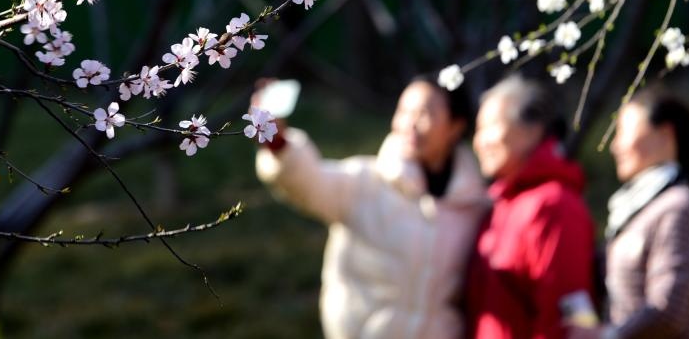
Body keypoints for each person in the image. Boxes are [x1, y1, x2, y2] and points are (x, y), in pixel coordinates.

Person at [255, 75, 489, 339]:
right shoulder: (366, 182)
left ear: (456, 127)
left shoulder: (474, 207)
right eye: (404, 111)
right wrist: (279, 145)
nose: (409, 123)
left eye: (424, 113)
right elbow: (311, 183)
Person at [567, 88, 689, 339]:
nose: (615, 146)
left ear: (665, 135)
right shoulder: (638, 209)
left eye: (623, 133)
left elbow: (667, 313)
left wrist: (605, 336)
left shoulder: (679, 209)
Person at [466, 75, 596, 338]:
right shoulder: (500, 203)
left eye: (489, 127)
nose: (479, 142)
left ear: (533, 130)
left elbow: (568, 316)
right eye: (477, 130)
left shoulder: (554, 205)